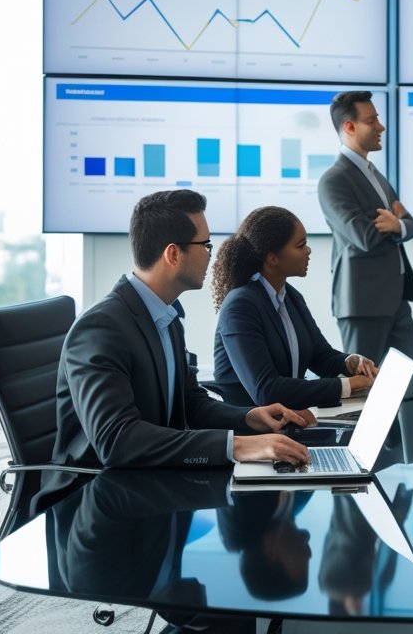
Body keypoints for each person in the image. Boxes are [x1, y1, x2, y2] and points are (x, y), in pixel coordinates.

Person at [49, 189, 311, 470]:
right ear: (173, 254)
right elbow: (116, 441)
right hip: (97, 492)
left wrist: (249, 417)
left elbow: (188, 402)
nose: (211, 255)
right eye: (206, 245)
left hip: (152, 478)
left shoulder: (166, 314)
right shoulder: (101, 329)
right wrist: (237, 446)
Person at [210, 205, 378, 410]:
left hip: (287, 422)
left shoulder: (291, 297)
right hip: (250, 433)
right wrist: (346, 386)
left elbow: (322, 357)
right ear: (272, 258)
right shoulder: (240, 305)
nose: (308, 250)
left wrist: (350, 362)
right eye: (300, 245)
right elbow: (266, 391)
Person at [318, 90, 413, 363]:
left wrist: (396, 224)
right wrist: (397, 222)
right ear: (349, 127)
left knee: (408, 382)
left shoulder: (375, 174)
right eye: (372, 120)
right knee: (364, 392)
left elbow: (411, 224)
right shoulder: (334, 180)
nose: (381, 126)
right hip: (362, 304)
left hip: (397, 300)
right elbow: (361, 235)